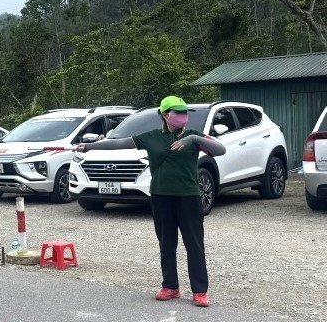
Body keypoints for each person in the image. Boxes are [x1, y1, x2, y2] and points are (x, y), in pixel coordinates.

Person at [77, 95, 226, 307]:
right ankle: (170, 286)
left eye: (185, 112)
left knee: (194, 244)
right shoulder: (152, 137)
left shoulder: (193, 136)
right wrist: (89, 146)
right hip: (161, 197)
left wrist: (193, 139)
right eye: (178, 112)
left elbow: (220, 150)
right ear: (165, 115)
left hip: (189, 197)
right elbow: (119, 143)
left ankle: (200, 291)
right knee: (166, 243)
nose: (183, 116)